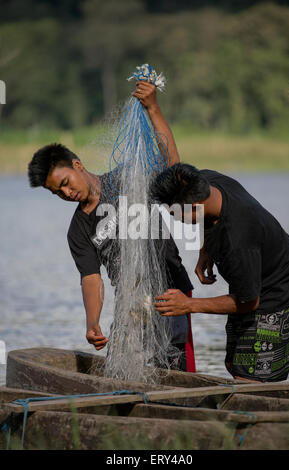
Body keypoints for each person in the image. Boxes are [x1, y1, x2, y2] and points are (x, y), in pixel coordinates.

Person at [27, 82, 196, 373]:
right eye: (57, 192)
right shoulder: (78, 230)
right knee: (129, 373)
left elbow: (172, 164)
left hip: (171, 292)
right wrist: (92, 322)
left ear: (77, 165)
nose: (66, 194)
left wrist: (153, 108)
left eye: (65, 183)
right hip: (132, 303)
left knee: (176, 371)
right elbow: (92, 279)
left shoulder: (127, 178)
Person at [152, 163, 289, 382]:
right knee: (233, 363)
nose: (174, 218)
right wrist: (206, 250)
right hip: (251, 279)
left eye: (175, 212)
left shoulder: (238, 237)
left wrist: (188, 305)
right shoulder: (206, 182)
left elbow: (249, 302)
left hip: (277, 296)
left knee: (250, 380)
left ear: (195, 206)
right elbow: (204, 216)